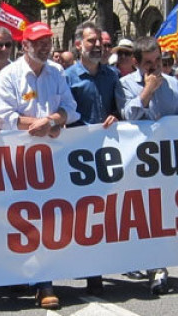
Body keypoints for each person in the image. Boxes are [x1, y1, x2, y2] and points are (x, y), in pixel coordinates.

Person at [0, 21, 79, 309]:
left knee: (51, 216)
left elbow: (71, 109)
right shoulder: (9, 75)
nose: (45, 46)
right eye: (38, 42)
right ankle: (25, 275)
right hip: (19, 160)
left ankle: (45, 282)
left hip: (54, 159)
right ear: (25, 45)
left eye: (48, 41)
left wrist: (54, 121)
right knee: (24, 217)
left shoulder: (57, 73)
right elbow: (4, 117)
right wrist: (40, 124)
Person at [117, 36, 178, 294]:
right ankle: (151, 266)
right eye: (148, 63)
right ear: (136, 63)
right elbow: (129, 116)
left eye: (158, 60)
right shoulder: (124, 84)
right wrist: (147, 91)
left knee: (166, 215)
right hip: (139, 165)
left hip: (169, 161)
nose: (155, 66)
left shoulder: (175, 85)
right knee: (144, 216)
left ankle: (161, 264)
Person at [63, 22, 121, 295]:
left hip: (107, 153)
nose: (97, 46)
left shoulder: (112, 76)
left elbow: (121, 110)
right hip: (76, 156)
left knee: (102, 211)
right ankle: (82, 265)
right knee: (80, 213)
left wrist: (117, 117)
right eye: (90, 41)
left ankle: (95, 271)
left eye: (99, 41)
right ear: (78, 45)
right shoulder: (67, 78)